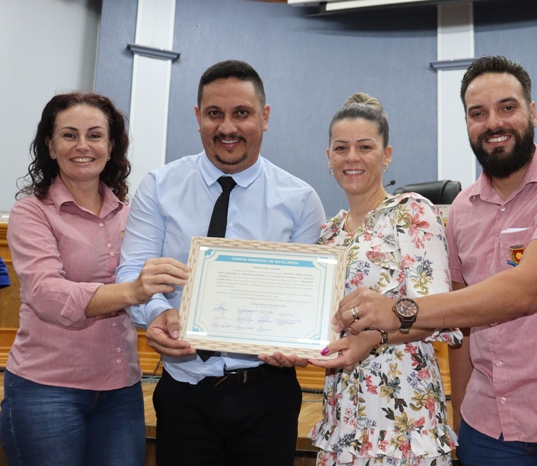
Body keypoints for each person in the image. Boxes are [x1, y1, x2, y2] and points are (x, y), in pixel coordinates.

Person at [330, 56, 537, 466]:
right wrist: (458, 428)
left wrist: (398, 309)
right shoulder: (461, 213)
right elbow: (461, 327)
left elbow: (525, 291)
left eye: (507, 107)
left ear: (533, 112)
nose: (493, 123)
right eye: (478, 113)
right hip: (490, 431)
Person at [115, 60, 326, 466]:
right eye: (215, 114)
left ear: (264, 117)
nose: (227, 127)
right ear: (198, 118)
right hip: (184, 391)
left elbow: (306, 305)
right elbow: (131, 273)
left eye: (241, 113)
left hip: (269, 394)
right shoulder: (159, 187)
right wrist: (158, 313)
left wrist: (295, 343)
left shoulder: (300, 201)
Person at [0, 92, 183, 466]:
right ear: (50, 146)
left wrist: (166, 313)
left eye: (95, 135)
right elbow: (47, 294)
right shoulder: (31, 213)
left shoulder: (133, 216)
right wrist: (132, 290)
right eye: (69, 135)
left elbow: (155, 289)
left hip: (121, 391)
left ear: (111, 145)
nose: (83, 146)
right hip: (45, 391)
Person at [307, 93, 462, 466]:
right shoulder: (327, 233)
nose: (352, 157)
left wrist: (371, 339)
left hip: (402, 414)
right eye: (341, 147)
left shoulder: (412, 213)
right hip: (341, 414)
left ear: (386, 154)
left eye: (365, 146)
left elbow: (436, 314)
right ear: (328, 157)